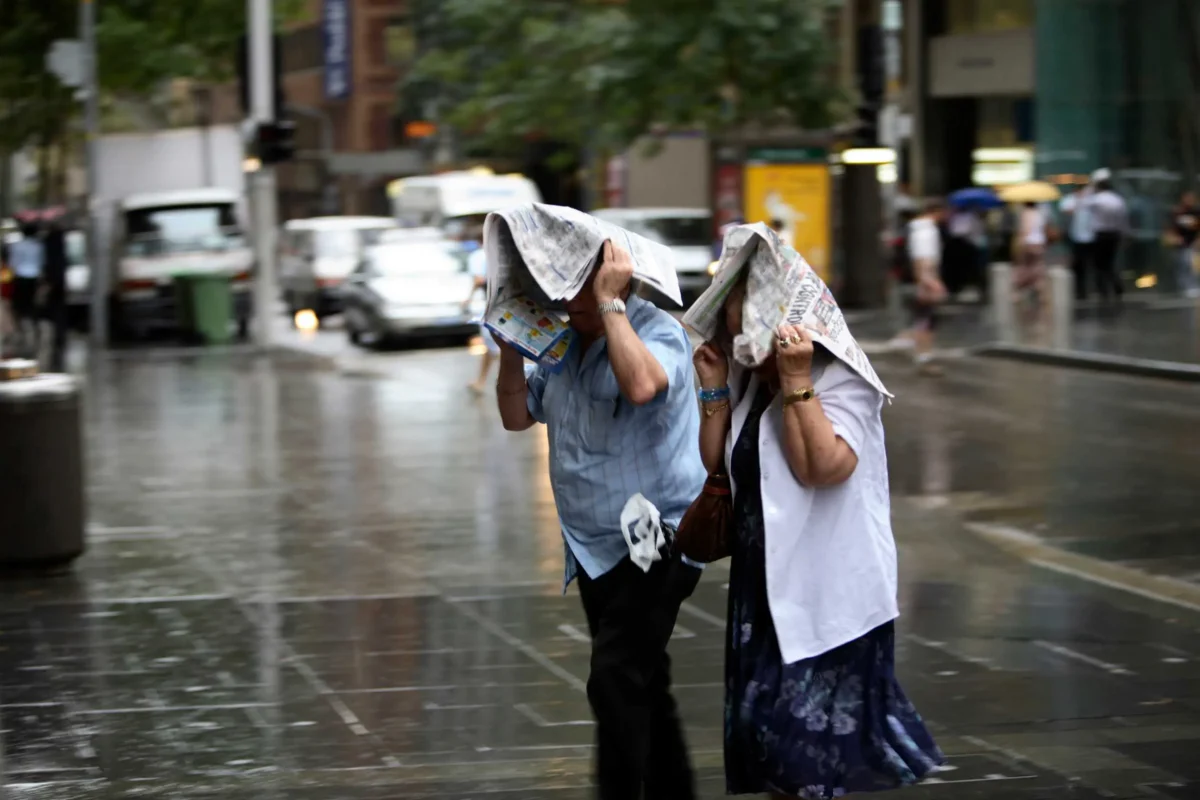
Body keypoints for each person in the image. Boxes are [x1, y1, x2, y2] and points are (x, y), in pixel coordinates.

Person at [693, 276, 943, 799]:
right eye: (734, 332)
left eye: (749, 335)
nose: (742, 347)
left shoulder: (842, 378)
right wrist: (716, 386)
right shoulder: (751, 380)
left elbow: (822, 468)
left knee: (802, 756)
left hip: (829, 595)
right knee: (767, 744)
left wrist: (796, 379)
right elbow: (718, 464)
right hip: (763, 590)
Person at [495, 241, 707, 800]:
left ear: (611, 283)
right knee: (642, 683)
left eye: (580, 295)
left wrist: (612, 307)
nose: (568, 307)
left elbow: (641, 386)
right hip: (593, 547)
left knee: (613, 679)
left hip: (657, 540)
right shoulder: (565, 343)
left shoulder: (654, 329)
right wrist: (511, 351)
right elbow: (517, 415)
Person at [904, 199, 946, 376]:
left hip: (924, 279)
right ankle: (924, 357)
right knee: (926, 320)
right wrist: (930, 282)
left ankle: (922, 355)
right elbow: (922, 259)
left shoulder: (916, 229)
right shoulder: (926, 231)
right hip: (926, 280)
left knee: (924, 319)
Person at [462, 228, 499, 393]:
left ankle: (517, 383)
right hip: (509, 303)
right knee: (490, 346)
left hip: (491, 305)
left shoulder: (478, 255)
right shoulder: (503, 252)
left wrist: (468, 298)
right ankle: (481, 380)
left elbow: (478, 279)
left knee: (497, 346)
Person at [1086, 169, 1129, 304]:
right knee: (1110, 263)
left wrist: (1090, 188)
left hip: (1101, 234)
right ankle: (1117, 287)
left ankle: (1103, 290)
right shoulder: (1117, 200)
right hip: (1114, 234)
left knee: (1100, 265)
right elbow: (1123, 220)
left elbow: (1083, 204)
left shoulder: (1096, 200)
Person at [8, 223, 45, 356]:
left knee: (17, 307)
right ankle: (35, 329)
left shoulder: (16, 245)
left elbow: (13, 263)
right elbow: (42, 263)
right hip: (33, 279)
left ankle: (20, 330)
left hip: (20, 278)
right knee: (32, 306)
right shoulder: (39, 246)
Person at [41, 220, 70, 371]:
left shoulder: (47, 243)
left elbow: (46, 263)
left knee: (53, 309)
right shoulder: (61, 242)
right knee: (60, 309)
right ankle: (60, 336)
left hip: (52, 281)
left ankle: (56, 335)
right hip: (61, 280)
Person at [1060, 183, 1095, 300]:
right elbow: (1066, 211)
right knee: (1078, 265)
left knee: (1085, 264)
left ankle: (1085, 289)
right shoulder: (1072, 201)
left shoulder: (1090, 202)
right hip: (1076, 238)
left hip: (1089, 238)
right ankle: (1079, 289)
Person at [1013, 200, 1049, 315]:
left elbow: (1025, 230)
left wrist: (1020, 243)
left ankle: (1018, 292)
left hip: (1028, 243)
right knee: (1037, 267)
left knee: (1024, 267)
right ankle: (1041, 292)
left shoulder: (1026, 213)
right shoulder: (1040, 213)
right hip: (1039, 243)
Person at [1166, 190, 1200, 298]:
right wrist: (1174, 238)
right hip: (1180, 244)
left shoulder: (1197, 212)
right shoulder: (1177, 212)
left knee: (1191, 265)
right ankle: (1181, 286)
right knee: (1181, 265)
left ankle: (1192, 287)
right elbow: (1170, 228)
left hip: (1193, 244)